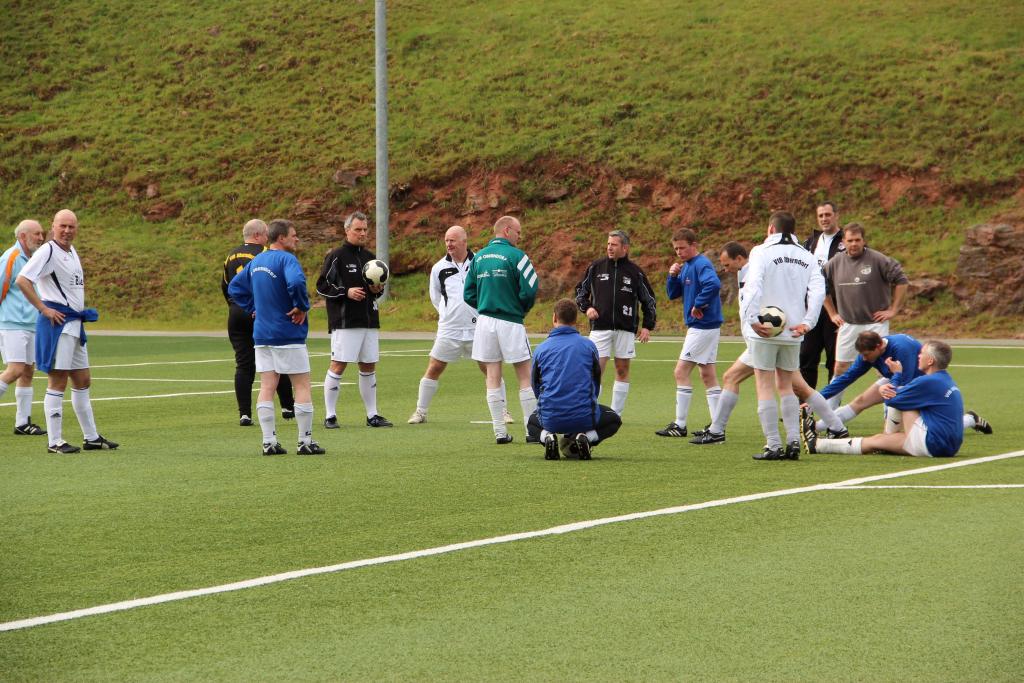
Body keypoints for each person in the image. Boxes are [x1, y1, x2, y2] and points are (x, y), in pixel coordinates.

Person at [691, 241, 848, 446]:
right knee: (799, 387)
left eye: (727, 264)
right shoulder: (747, 271)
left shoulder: (757, 268)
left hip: (765, 340)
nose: (725, 269)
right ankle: (837, 427)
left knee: (734, 378)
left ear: (739, 259)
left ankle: (719, 431)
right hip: (766, 339)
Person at [15, 209, 118, 454]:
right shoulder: (48, 251)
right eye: (62, 226)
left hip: (74, 325)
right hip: (58, 326)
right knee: (58, 379)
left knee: (82, 379)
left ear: (77, 228)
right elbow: (22, 280)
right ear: (53, 227)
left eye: (71, 226)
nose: (67, 231)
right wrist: (44, 309)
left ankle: (91, 438)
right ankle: (55, 441)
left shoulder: (71, 251)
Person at [228, 219, 324, 456]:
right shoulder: (287, 260)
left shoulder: (257, 261)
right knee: (301, 384)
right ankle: (305, 441)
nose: (297, 238)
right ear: (281, 238)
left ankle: (268, 442)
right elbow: (297, 282)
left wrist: (253, 307)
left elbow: (234, 288)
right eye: (294, 235)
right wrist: (301, 306)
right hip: (288, 332)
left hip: (262, 334)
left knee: (267, 386)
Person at [740, 211, 825, 461]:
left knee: (764, 386)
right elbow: (818, 291)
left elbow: (753, 284)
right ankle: (793, 441)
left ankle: (773, 444)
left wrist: (752, 319)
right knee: (786, 387)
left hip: (765, 331)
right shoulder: (807, 255)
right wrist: (808, 323)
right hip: (793, 330)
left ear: (770, 229)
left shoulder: (761, 252)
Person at [407, 225, 513, 425]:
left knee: (490, 368)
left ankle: (503, 411)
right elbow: (436, 297)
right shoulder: (438, 268)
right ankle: (420, 412)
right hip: (449, 329)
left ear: (464, 242)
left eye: (452, 240)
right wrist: (449, 314)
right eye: (446, 240)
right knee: (434, 367)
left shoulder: (480, 262)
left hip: (478, 327)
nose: (449, 244)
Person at [809, 330, 992, 438]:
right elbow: (846, 378)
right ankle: (815, 428)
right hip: (897, 379)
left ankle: (970, 419)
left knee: (927, 428)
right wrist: (815, 399)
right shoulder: (868, 353)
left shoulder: (902, 349)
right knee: (860, 402)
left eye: (866, 355)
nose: (864, 359)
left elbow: (904, 387)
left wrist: (889, 403)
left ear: (879, 346)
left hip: (920, 384)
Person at [807, 341, 965, 457]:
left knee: (876, 439)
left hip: (932, 444)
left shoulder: (927, 381)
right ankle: (819, 444)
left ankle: (818, 444)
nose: (918, 355)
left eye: (922, 353)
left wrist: (896, 375)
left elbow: (891, 400)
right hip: (949, 447)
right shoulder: (945, 379)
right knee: (881, 437)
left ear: (930, 361)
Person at [463, 215, 539, 444]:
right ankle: (532, 431)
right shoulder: (518, 256)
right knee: (525, 375)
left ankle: (499, 432)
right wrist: (519, 308)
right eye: (518, 232)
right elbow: (531, 289)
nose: (520, 236)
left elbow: (468, 293)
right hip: (511, 321)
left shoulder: (478, 257)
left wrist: (485, 304)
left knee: (492, 375)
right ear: (507, 231)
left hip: (485, 322)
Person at [315, 211, 391, 429]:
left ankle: (372, 415)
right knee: (338, 365)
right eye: (358, 229)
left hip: (369, 320)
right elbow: (322, 286)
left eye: (365, 229)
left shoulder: (370, 258)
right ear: (347, 230)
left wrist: (377, 289)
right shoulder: (336, 256)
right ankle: (330, 416)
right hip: (345, 321)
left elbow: (375, 290)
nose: (362, 233)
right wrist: (345, 292)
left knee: (368, 365)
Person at [822, 223, 909, 405]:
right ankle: (830, 413)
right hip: (848, 324)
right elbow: (820, 286)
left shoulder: (878, 259)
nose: (854, 244)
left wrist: (893, 310)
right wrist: (832, 313)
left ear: (863, 240)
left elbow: (901, 280)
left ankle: (891, 411)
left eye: (857, 240)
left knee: (884, 369)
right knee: (840, 367)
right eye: (850, 240)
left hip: (875, 324)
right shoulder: (835, 263)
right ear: (843, 242)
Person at [573, 229, 657, 415]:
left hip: (625, 328)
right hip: (600, 328)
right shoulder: (596, 267)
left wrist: (647, 326)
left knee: (622, 370)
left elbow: (649, 300)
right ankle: (590, 411)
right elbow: (580, 292)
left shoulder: (635, 272)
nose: (609, 248)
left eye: (614, 245)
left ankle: (615, 414)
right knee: (595, 370)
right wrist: (587, 308)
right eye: (608, 244)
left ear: (624, 248)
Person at [222, 219, 295, 427]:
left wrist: (236, 306)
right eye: (265, 234)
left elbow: (225, 286)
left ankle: (244, 413)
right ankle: (287, 406)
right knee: (277, 358)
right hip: (260, 312)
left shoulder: (230, 255)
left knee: (243, 364)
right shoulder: (265, 254)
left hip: (236, 312)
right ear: (257, 235)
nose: (267, 238)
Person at [528, 299, 622, 460]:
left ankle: (547, 437)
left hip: (551, 417)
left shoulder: (541, 349)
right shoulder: (589, 346)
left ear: (554, 317)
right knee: (613, 419)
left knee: (531, 422)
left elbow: (535, 385)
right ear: (576, 319)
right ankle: (587, 438)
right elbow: (596, 381)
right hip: (583, 417)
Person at [656, 228, 722, 437]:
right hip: (706, 327)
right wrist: (672, 276)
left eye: (682, 248)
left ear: (694, 245)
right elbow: (672, 294)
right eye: (676, 248)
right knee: (708, 375)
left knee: (680, 372)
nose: (679, 252)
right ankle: (717, 426)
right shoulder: (686, 266)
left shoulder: (701, 264)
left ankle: (680, 425)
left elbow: (714, 284)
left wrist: (698, 304)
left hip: (702, 326)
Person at [0, 220, 47, 436]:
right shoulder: (10, 257)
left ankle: (22, 423)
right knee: (16, 370)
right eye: (36, 234)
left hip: (31, 324)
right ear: (22, 236)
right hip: (12, 324)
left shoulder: (35, 258)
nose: (41, 238)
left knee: (28, 372)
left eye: (41, 234)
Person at [799, 202, 845, 389]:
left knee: (834, 359)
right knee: (806, 356)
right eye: (821, 216)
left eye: (828, 214)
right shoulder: (810, 242)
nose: (824, 219)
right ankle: (805, 404)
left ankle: (831, 404)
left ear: (836, 215)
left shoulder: (848, 241)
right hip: (812, 307)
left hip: (838, 309)